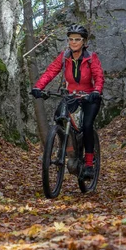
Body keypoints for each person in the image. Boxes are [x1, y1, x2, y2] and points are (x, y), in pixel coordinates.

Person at [30, 24, 104, 179]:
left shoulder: (91, 57)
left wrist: (96, 91)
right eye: (71, 39)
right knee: (59, 117)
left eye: (77, 39)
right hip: (71, 96)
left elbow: (98, 76)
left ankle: (89, 165)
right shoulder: (64, 57)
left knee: (87, 126)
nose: (73, 42)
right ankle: (68, 149)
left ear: (84, 41)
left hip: (89, 97)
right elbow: (50, 72)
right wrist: (38, 87)